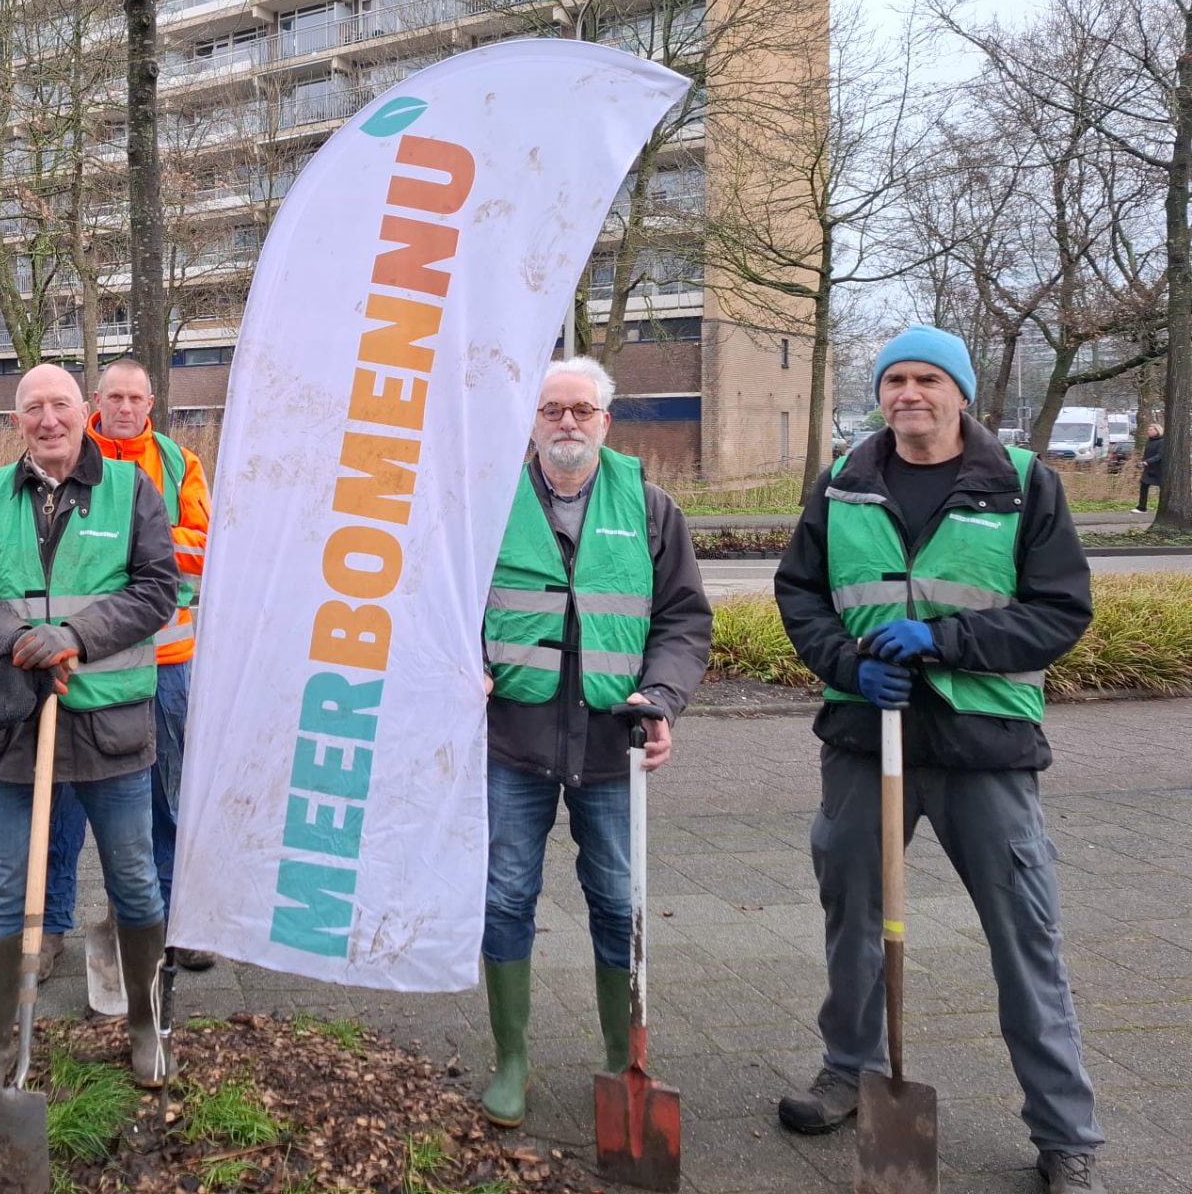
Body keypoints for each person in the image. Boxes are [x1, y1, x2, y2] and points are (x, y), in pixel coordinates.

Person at [773, 326, 1102, 1194]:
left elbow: (1060, 611)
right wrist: (850, 666)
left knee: (1024, 936)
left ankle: (1066, 1133)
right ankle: (849, 1070)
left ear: (960, 392)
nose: (908, 394)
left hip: (983, 746)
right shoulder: (843, 483)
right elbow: (800, 594)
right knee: (853, 919)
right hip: (864, 737)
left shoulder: (1022, 483)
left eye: (926, 379)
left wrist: (946, 641)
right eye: (895, 380)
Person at [476, 356, 711, 1128]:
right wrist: (468, 663)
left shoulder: (650, 509)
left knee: (617, 899)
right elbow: (450, 605)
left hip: (613, 745)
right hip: (514, 740)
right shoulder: (489, 506)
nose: (567, 422)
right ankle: (512, 1059)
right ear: (532, 422)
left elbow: (682, 620)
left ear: (606, 421)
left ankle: (621, 1058)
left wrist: (661, 697)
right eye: (552, 410)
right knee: (506, 895)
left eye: (581, 409)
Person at [0, 363, 178, 1113]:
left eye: (60, 405)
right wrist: (17, 641)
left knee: (133, 879)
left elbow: (156, 589)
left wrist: (74, 634)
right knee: (0, 887)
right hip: (16, 723)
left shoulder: (131, 490)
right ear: (16, 420)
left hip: (111, 724)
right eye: (33, 408)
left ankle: (146, 1025)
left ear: (85, 411)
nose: (48, 419)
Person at [42, 357, 214, 978]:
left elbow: (204, 549)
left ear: (150, 404)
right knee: (61, 796)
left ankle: (172, 921)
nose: (124, 407)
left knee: (168, 794)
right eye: (113, 397)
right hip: (80, 660)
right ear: (96, 400)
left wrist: (138, 537)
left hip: (163, 660)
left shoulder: (177, 464)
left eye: (135, 398)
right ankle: (49, 925)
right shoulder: (64, 455)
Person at [1136, 422, 1162, 514]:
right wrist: (1143, 462)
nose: (1148, 431)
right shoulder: (1149, 441)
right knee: (1144, 485)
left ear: (1157, 431)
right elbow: (1146, 453)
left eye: (1151, 430)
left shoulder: (1162, 441)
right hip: (1148, 468)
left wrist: (1148, 461)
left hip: (1159, 469)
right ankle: (1142, 507)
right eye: (1148, 430)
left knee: (1163, 488)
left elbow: (1160, 455)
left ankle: (1164, 507)